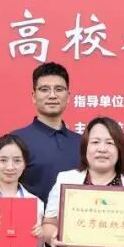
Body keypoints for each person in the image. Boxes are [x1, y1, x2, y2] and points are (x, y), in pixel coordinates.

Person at [42, 116, 124, 247]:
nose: (102, 149)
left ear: (119, 149)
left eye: (110, 143)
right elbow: (48, 224)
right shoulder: (65, 179)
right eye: (95, 142)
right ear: (85, 147)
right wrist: (53, 237)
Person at [10, 62, 82, 206]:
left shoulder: (83, 142)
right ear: (34, 96)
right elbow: (5, 189)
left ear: (68, 96)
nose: (52, 95)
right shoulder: (15, 141)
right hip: (30, 219)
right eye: (44, 89)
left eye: (59, 89)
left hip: (77, 219)